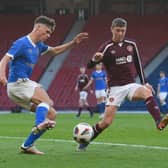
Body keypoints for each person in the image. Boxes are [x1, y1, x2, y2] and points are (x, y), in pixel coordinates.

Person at [0, 15, 88, 155]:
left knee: (52, 114)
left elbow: (54, 51)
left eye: (50, 33)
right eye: (47, 32)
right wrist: (2, 76)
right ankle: (39, 123)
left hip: (18, 90)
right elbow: (4, 60)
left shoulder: (39, 46)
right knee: (47, 101)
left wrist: (73, 43)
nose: (48, 35)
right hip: (18, 83)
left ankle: (27, 145)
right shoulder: (22, 43)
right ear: (38, 27)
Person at [77, 17, 168, 151]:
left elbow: (138, 64)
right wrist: (94, 60)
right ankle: (86, 140)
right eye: (118, 30)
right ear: (112, 29)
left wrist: (145, 83)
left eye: (123, 30)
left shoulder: (131, 45)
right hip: (115, 88)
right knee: (106, 122)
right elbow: (90, 65)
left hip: (131, 84)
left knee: (146, 91)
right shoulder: (106, 47)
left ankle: (158, 120)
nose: (120, 33)